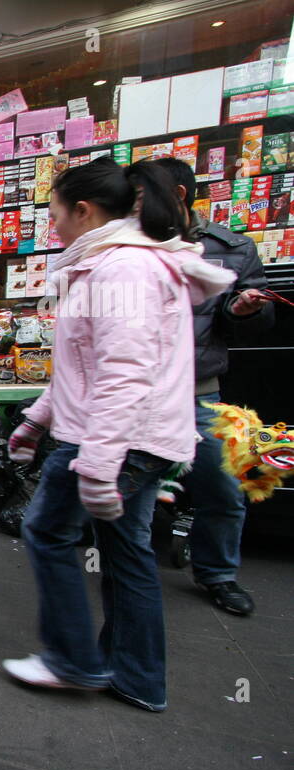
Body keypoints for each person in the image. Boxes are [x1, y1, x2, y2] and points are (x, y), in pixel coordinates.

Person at [2, 157, 234, 713]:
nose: (52, 225)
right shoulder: (126, 263)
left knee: (49, 532)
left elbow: (123, 374)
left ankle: (73, 660)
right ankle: (135, 676)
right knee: (127, 553)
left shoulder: (119, 269)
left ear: (82, 211)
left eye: (55, 213)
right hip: (135, 438)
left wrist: (100, 464)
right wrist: (38, 419)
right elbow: (87, 366)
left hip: (113, 441)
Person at [147, 157, 274, 617]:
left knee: (221, 486)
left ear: (177, 196)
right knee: (127, 486)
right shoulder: (132, 248)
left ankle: (218, 573)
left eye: (143, 195)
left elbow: (256, 320)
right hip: (138, 393)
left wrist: (245, 310)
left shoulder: (232, 248)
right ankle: (132, 566)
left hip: (199, 392)